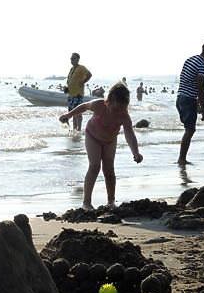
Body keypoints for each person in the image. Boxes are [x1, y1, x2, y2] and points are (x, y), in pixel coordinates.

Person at [59, 82, 143, 210]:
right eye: (116, 109)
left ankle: (111, 201)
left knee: (109, 170)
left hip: (110, 141)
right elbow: (84, 107)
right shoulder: (98, 105)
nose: (119, 112)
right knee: (94, 166)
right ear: (108, 102)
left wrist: (135, 152)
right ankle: (86, 202)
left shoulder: (125, 116)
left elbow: (129, 134)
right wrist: (68, 115)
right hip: (92, 137)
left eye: (123, 109)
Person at [176, 39, 204, 165]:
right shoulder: (202, 65)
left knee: (188, 128)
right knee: (190, 130)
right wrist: (203, 109)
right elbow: (200, 87)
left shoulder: (190, 59)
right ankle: (181, 159)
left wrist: (197, 103)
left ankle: (182, 158)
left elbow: (186, 80)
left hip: (180, 97)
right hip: (189, 99)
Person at [66, 53, 92, 131]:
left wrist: (83, 82)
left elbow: (89, 75)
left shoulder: (81, 68)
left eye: (73, 59)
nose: (72, 60)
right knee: (73, 113)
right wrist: (67, 87)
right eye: (71, 59)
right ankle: (74, 129)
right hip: (70, 94)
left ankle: (79, 129)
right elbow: (69, 80)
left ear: (78, 59)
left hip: (78, 94)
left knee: (78, 112)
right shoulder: (71, 69)